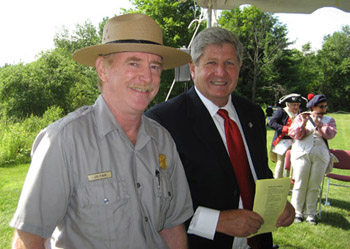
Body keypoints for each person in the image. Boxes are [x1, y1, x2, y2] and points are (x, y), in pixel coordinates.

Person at [10, 13, 194, 249]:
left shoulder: (162, 141)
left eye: (155, 66)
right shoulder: (64, 140)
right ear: (102, 70)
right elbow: (29, 238)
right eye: (134, 63)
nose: (147, 76)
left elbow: (171, 226)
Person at [146, 27, 294, 249]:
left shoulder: (252, 113)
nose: (221, 73)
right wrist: (217, 221)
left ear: (239, 68)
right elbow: (154, 203)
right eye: (211, 63)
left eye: (229, 63)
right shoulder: (163, 121)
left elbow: (258, 172)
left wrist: (279, 201)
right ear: (193, 68)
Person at [288, 93, 337, 225]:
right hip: (302, 153)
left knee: (314, 186)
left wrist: (319, 124)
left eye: (325, 106)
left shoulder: (329, 120)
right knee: (300, 183)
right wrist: (303, 124)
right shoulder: (301, 117)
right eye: (321, 106)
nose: (324, 109)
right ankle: (296, 212)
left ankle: (310, 213)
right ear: (313, 106)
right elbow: (295, 135)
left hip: (320, 155)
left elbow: (330, 134)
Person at [269, 93, 304, 178]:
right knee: (280, 162)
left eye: (297, 105)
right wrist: (286, 129)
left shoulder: (300, 113)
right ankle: (278, 182)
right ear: (287, 104)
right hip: (282, 141)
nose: (296, 107)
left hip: (296, 141)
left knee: (294, 163)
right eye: (293, 105)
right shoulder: (282, 112)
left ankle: (290, 183)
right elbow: (272, 123)